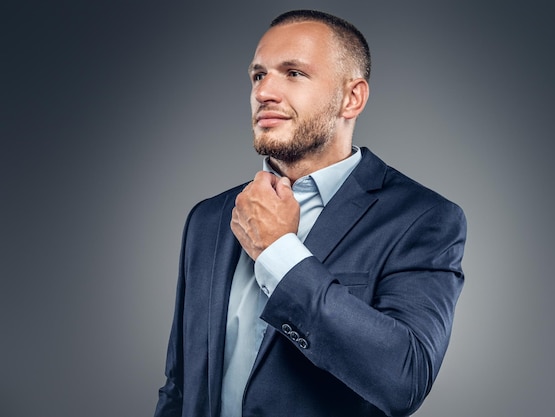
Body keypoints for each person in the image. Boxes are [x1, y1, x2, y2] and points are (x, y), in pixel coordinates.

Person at [154, 9, 466, 417]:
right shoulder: (209, 219)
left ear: (351, 98)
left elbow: (403, 381)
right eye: (258, 75)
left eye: (294, 73)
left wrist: (280, 253)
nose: (265, 91)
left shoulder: (423, 219)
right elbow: (180, 386)